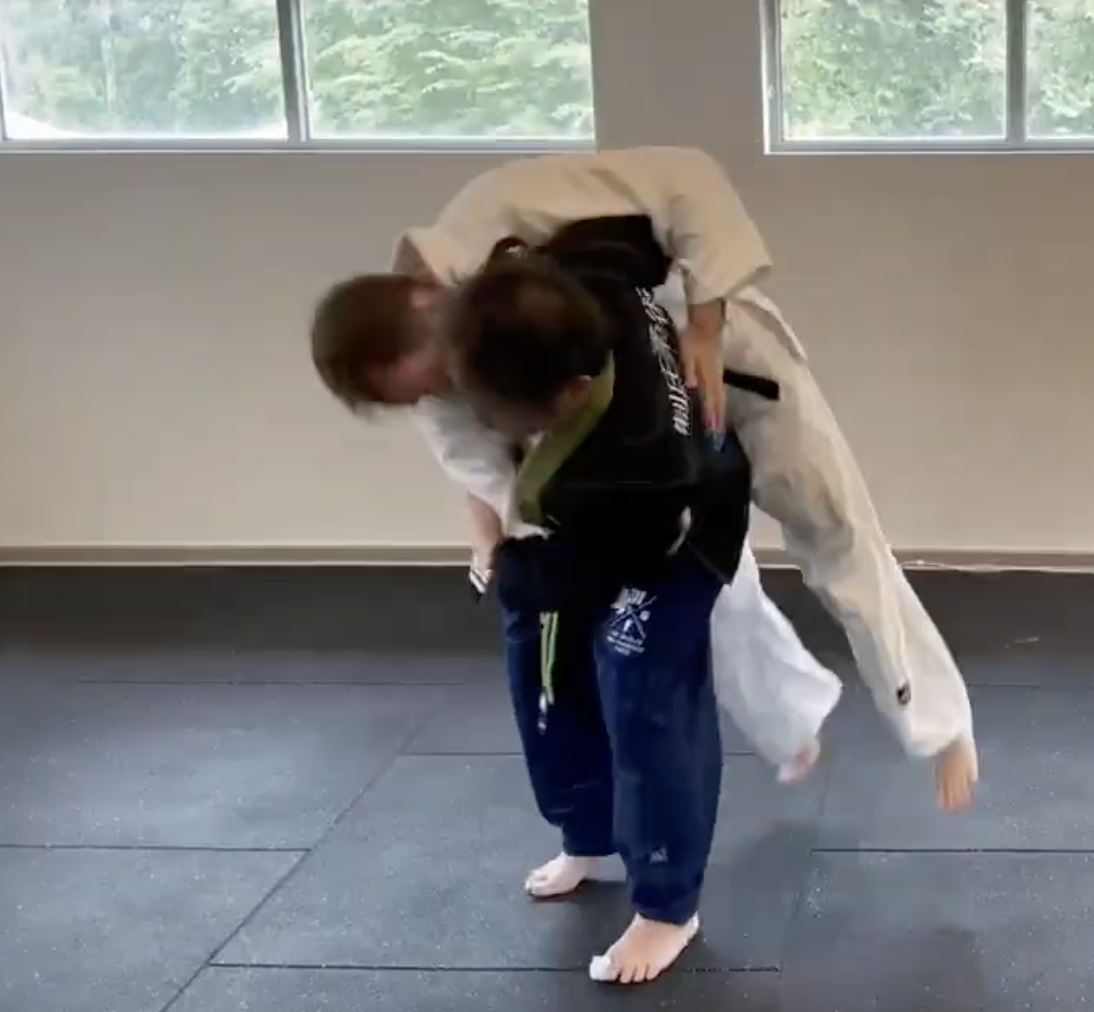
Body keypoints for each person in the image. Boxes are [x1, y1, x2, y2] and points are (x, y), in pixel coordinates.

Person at [312, 146, 976, 808]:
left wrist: (707, 323)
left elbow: (688, 177)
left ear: (428, 302)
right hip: (616, 429)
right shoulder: (431, 392)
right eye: (421, 394)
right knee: (692, 567)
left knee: (836, 524)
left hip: (721, 358)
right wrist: (508, 540)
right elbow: (493, 476)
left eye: (438, 375)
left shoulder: (493, 209)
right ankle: (791, 723)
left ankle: (939, 722)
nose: (441, 393)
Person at [439, 217, 748, 983]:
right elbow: (631, 233)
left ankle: (668, 905)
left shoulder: (639, 458)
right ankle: (588, 828)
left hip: (677, 533)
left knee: (638, 677)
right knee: (539, 659)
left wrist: (512, 566)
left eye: (514, 422)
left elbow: (587, 565)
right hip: (585, 517)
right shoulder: (555, 284)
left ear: (573, 394)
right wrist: (487, 539)